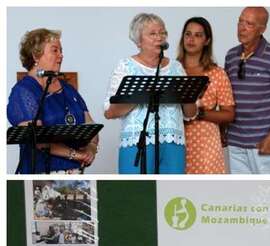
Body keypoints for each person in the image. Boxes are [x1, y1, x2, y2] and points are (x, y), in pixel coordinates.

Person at [103, 13, 197, 174]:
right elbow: (109, 112)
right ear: (138, 41)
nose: (159, 38)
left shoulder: (177, 68)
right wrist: (141, 95)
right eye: (153, 34)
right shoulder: (125, 66)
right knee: (135, 193)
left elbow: (190, 114)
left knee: (171, 192)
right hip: (136, 143)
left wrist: (189, 95)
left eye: (162, 33)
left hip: (173, 143)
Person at [8, 28, 99, 173]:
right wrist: (75, 155)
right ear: (36, 56)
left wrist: (91, 149)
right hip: (41, 174)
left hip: (75, 173)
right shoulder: (24, 91)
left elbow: (90, 125)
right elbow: (36, 139)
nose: (61, 55)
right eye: (55, 50)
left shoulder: (68, 89)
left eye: (61, 50)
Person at [225, 7, 270, 174]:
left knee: (264, 194)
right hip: (235, 141)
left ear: (262, 29)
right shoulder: (231, 55)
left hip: (264, 142)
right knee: (241, 196)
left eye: (249, 23)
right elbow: (226, 98)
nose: (242, 27)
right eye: (240, 21)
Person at [177, 16, 235, 173]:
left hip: (206, 144)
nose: (191, 39)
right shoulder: (171, 70)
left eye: (198, 35)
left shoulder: (217, 73)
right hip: (174, 142)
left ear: (207, 41)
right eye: (188, 34)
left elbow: (229, 115)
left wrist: (198, 113)